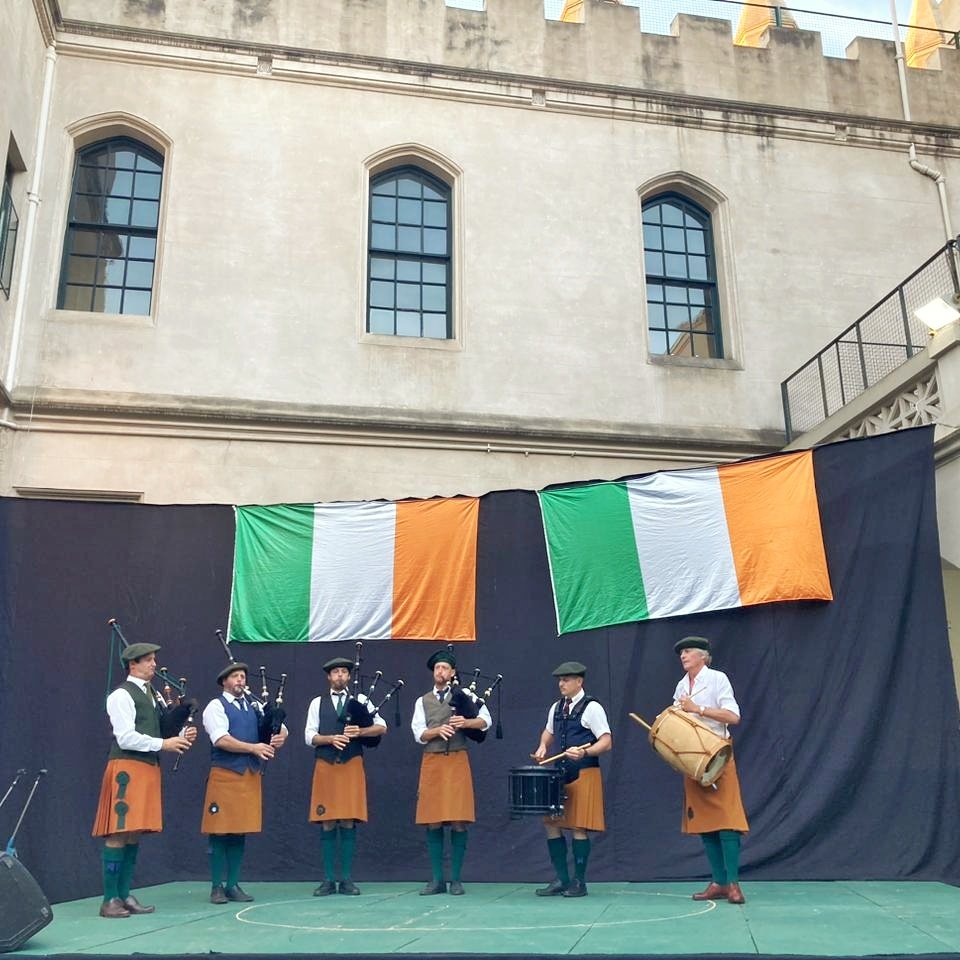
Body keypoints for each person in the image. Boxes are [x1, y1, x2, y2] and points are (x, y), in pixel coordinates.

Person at [91, 642, 196, 918]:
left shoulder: (151, 694)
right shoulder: (120, 696)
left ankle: (124, 894)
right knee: (118, 831)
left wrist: (181, 737)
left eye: (153, 659)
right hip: (126, 768)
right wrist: (164, 743)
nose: (154, 664)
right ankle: (109, 899)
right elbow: (125, 736)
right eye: (148, 660)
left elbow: (158, 729)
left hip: (147, 767)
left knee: (134, 831)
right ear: (132, 664)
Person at [201, 662, 288, 904]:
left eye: (242, 676)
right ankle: (216, 886)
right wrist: (253, 747)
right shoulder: (215, 706)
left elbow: (282, 729)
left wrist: (280, 737)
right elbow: (220, 739)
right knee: (219, 832)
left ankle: (233, 885)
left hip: (249, 774)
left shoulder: (254, 705)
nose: (240, 680)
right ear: (224, 682)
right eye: (235, 676)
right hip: (225, 774)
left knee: (239, 832)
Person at [672, 636, 749, 905]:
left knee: (727, 821)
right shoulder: (681, 686)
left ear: (703, 656)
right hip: (693, 759)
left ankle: (734, 885)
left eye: (688, 651)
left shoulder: (717, 679)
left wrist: (699, 709)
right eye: (681, 652)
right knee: (705, 824)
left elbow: (733, 716)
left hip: (718, 753)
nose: (683, 655)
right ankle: (718, 882)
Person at [411, 649, 491, 896]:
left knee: (458, 820)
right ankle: (437, 880)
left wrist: (465, 723)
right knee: (433, 820)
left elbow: (485, 720)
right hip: (432, 761)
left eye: (445, 668)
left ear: (453, 673)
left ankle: (456, 879)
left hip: (457, 759)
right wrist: (437, 731)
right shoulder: (422, 700)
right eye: (437, 668)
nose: (440, 672)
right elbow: (418, 733)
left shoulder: (466, 695)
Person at [305, 656, 387, 896]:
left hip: (351, 762)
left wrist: (360, 731)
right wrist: (330, 738)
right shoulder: (316, 703)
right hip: (326, 764)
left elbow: (382, 726)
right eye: (335, 672)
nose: (340, 676)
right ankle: (329, 879)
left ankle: (347, 880)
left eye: (344, 672)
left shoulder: (360, 700)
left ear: (349, 677)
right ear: (329, 677)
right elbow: (309, 736)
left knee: (349, 819)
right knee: (328, 820)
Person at [532, 661, 611, 898]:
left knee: (578, 826)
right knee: (551, 825)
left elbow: (606, 741)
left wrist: (585, 751)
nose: (561, 684)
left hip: (584, 772)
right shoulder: (556, 707)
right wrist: (543, 746)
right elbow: (549, 731)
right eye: (560, 680)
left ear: (580, 681)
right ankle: (561, 879)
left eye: (566, 679)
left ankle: (580, 882)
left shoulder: (592, 708)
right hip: (559, 774)